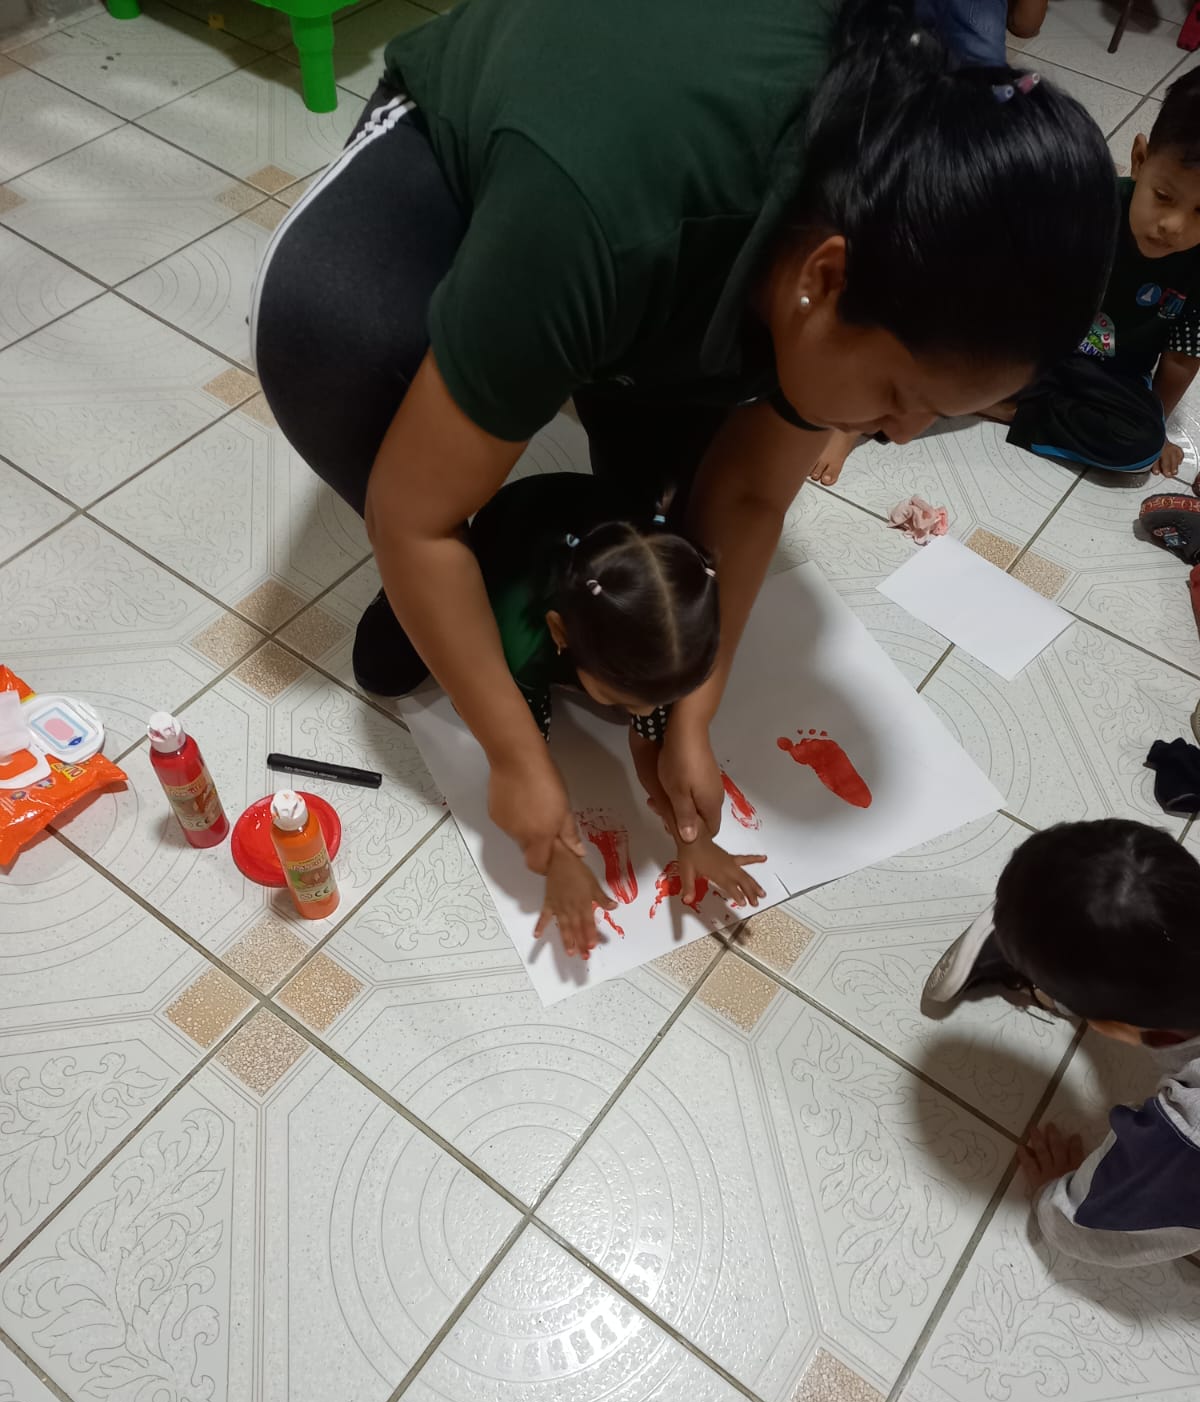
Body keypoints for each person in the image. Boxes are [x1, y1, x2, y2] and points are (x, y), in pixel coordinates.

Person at [252, 0, 1116, 897]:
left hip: (646, 215)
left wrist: (689, 718)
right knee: (348, 361)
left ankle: (525, 509)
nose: (898, 434)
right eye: (900, 397)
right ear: (823, 277)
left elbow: (748, 494)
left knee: (669, 492)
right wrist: (514, 753)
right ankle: (445, 599)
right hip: (515, 144)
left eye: (934, 413)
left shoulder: (895, 211)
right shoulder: (601, 213)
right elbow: (415, 518)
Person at [406, 472, 769, 954]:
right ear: (561, 634)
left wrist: (692, 839)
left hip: (599, 532)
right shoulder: (522, 646)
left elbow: (650, 742)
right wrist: (558, 857)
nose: (642, 714)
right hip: (506, 540)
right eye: (623, 698)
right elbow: (525, 766)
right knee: (389, 667)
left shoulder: (672, 620)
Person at [924, 819, 1200, 1265]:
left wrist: (1055, 1194)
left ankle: (1049, 977)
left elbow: (1096, 1228)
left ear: (1111, 1029)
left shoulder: (1183, 1143)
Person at [1002, 67, 1200, 477]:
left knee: (1142, 444)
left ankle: (1003, 407)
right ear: (1140, 160)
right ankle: (998, 394)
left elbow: (1181, 360)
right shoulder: (1086, 208)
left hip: (1113, 376)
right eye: (1164, 196)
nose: (1174, 225)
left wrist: (1158, 423)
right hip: (1037, 347)